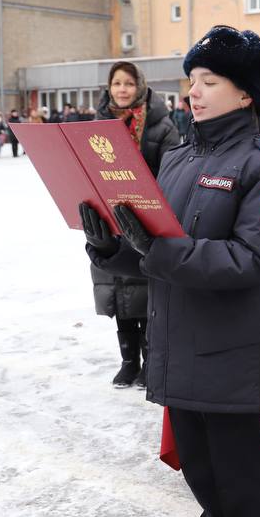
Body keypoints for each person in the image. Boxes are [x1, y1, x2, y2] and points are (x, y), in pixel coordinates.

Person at [80, 25, 260, 517]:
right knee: (199, 469)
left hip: (231, 347)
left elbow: (254, 262)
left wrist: (161, 251)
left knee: (238, 472)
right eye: (191, 82)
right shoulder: (177, 157)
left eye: (209, 83)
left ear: (246, 95)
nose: (194, 93)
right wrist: (110, 246)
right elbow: (153, 253)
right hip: (177, 341)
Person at [90, 61, 179, 388]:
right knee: (117, 294)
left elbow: (173, 173)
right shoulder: (97, 126)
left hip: (145, 223)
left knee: (145, 295)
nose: (123, 90)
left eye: (128, 83)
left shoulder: (161, 127)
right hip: (109, 222)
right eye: (116, 84)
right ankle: (128, 361)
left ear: (140, 86)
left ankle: (149, 361)